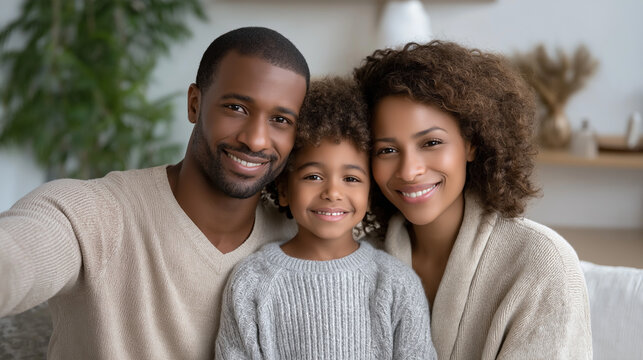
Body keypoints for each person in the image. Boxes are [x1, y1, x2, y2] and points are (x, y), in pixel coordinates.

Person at [0, 27, 308, 359]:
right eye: (236, 108)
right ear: (195, 104)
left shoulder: (299, 242)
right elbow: (18, 253)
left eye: (280, 119)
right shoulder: (96, 214)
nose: (257, 140)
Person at [354, 41, 593, 359]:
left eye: (432, 142)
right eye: (386, 150)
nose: (409, 171)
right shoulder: (361, 258)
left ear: (471, 143)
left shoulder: (542, 264)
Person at [215, 77, 437, 360]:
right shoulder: (252, 281)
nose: (333, 192)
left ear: (370, 195)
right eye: (313, 176)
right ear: (283, 189)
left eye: (351, 178)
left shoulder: (395, 283)